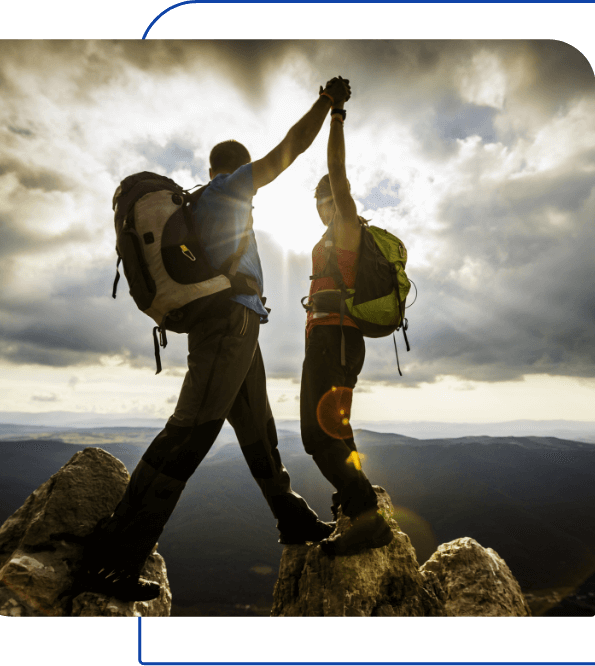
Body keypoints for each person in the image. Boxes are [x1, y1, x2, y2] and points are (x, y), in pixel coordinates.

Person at [77, 76, 354, 602]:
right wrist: (327, 105)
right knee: (188, 436)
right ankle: (113, 560)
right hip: (229, 327)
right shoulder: (231, 189)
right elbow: (288, 151)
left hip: (236, 329)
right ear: (234, 169)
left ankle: (292, 520)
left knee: (259, 436)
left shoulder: (200, 200)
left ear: (207, 169)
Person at [300, 94, 394, 557]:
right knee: (337, 428)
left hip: (334, 339)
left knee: (316, 434)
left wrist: (335, 116)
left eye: (327, 198)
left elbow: (337, 171)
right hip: (331, 338)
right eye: (320, 201)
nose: (324, 206)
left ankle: (366, 519)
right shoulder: (329, 238)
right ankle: (358, 503)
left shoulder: (348, 225)